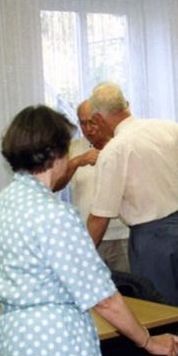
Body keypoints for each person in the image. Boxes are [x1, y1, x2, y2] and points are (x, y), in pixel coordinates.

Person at [0, 105, 178, 356]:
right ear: (56, 153)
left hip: (13, 344)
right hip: (52, 347)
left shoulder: (4, 202)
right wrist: (148, 341)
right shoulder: (54, 214)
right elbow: (104, 300)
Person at [86, 82, 178, 309]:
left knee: (157, 311)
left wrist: (80, 258)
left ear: (99, 118)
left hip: (152, 237)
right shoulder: (163, 127)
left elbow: (100, 217)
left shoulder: (114, 150)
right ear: (126, 105)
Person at [53, 100, 130, 272]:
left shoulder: (123, 145)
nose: (88, 128)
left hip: (123, 236)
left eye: (92, 122)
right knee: (92, 295)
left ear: (102, 119)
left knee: (130, 292)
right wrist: (77, 162)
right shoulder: (73, 148)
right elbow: (54, 185)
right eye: (82, 123)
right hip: (88, 237)